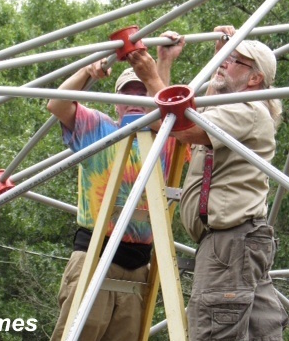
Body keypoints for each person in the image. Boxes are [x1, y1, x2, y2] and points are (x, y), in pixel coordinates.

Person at [128, 25, 289, 341]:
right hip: (237, 242)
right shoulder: (230, 105)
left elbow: (182, 126)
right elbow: (176, 114)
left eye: (235, 61)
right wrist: (169, 62)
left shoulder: (250, 108)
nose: (226, 64)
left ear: (255, 79)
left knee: (215, 331)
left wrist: (148, 76)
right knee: (261, 332)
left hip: (230, 243)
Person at [46, 32, 185, 341]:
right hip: (95, 257)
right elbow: (56, 103)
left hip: (137, 268)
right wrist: (86, 72)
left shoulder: (168, 141)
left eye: (141, 92)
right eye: (127, 93)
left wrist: (162, 63)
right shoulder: (99, 129)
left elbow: (167, 107)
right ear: (117, 102)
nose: (134, 100)